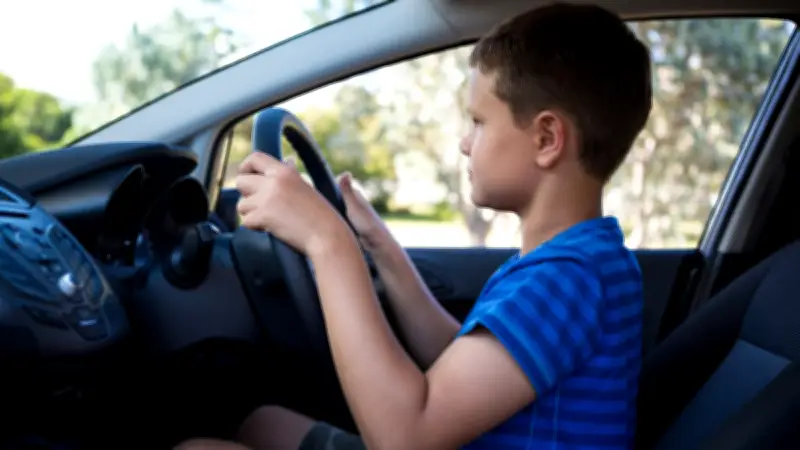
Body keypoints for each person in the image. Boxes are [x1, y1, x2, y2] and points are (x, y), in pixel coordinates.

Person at [177, 2, 652, 449]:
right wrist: (382, 249)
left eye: (479, 122)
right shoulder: (581, 261)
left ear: (547, 138)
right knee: (264, 422)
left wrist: (329, 242)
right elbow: (460, 360)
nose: (466, 143)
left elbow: (405, 436)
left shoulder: (566, 279)